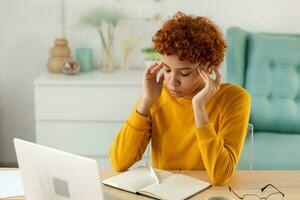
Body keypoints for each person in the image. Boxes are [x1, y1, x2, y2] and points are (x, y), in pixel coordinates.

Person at [109, 12, 251, 185]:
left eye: (184, 73)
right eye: (167, 69)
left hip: (209, 193)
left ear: (208, 67)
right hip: (164, 193)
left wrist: (198, 106)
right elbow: (119, 161)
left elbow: (220, 175)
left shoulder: (235, 99)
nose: (172, 81)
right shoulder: (157, 93)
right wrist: (146, 101)